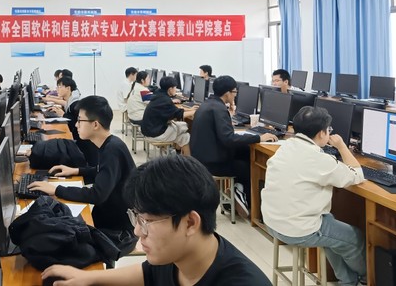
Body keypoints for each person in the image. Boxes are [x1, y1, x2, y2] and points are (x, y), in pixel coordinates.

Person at [41, 156, 271, 285]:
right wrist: (88, 278)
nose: (137, 231)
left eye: (147, 221)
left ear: (190, 223)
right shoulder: (177, 254)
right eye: (137, 217)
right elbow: (147, 273)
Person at [262, 106, 366, 286]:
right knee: (356, 238)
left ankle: (348, 281)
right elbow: (357, 175)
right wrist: (342, 146)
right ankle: (367, 278)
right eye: (329, 130)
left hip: (272, 222)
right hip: (297, 230)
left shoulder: (286, 147)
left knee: (330, 222)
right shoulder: (318, 159)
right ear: (321, 133)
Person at [28, 95, 136, 244]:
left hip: (118, 232)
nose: (76, 125)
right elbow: (102, 170)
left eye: (80, 120)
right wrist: (76, 171)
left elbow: (97, 195)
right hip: (108, 218)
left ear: (95, 124)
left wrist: (56, 190)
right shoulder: (110, 144)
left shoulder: (112, 150)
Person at [190, 75, 277, 214]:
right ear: (227, 93)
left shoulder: (209, 104)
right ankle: (249, 204)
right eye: (235, 92)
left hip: (202, 158)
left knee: (246, 152)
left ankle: (237, 191)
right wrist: (259, 138)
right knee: (247, 166)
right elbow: (228, 139)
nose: (235, 95)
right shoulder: (219, 109)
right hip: (212, 164)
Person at [141, 76, 194, 155]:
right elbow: (180, 114)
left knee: (183, 134)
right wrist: (194, 111)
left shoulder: (159, 95)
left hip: (149, 130)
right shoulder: (165, 100)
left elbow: (175, 110)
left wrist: (190, 109)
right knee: (185, 130)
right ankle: (185, 160)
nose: (176, 89)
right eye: (175, 88)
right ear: (170, 89)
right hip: (155, 133)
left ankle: (177, 154)